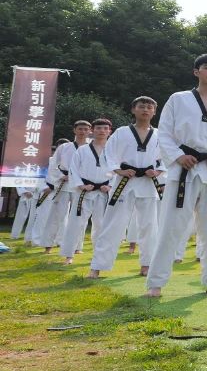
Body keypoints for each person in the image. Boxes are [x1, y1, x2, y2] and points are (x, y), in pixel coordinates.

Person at [147, 56, 207, 297]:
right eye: (206, 68)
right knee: (170, 227)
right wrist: (178, 156)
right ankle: (156, 283)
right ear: (196, 72)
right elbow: (164, 133)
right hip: (184, 170)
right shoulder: (178, 99)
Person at [88, 98, 165, 278]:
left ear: (154, 112)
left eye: (149, 107)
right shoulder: (122, 132)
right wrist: (118, 170)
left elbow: (166, 157)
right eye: (141, 106)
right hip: (124, 183)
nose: (145, 110)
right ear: (133, 110)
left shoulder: (160, 134)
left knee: (149, 226)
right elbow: (108, 154)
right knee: (113, 224)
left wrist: (158, 171)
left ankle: (147, 265)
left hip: (147, 184)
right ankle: (97, 266)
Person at [62, 118, 115, 263]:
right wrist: (80, 185)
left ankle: (99, 255)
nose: (102, 131)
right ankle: (69, 255)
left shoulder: (113, 150)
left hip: (103, 192)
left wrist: (110, 185)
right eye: (98, 128)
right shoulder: (82, 150)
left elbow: (117, 170)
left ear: (110, 131)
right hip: (84, 191)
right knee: (76, 222)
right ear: (92, 131)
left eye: (105, 128)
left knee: (101, 224)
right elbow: (73, 169)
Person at [37, 123, 91, 251]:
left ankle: (77, 246)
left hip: (81, 185)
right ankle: (48, 245)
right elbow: (53, 165)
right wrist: (61, 176)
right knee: (56, 214)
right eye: (80, 129)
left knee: (80, 215)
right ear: (74, 130)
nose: (82, 131)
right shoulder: (64, 147)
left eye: (85, 129)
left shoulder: (91, 148)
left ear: (90, 131)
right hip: (64, 184)